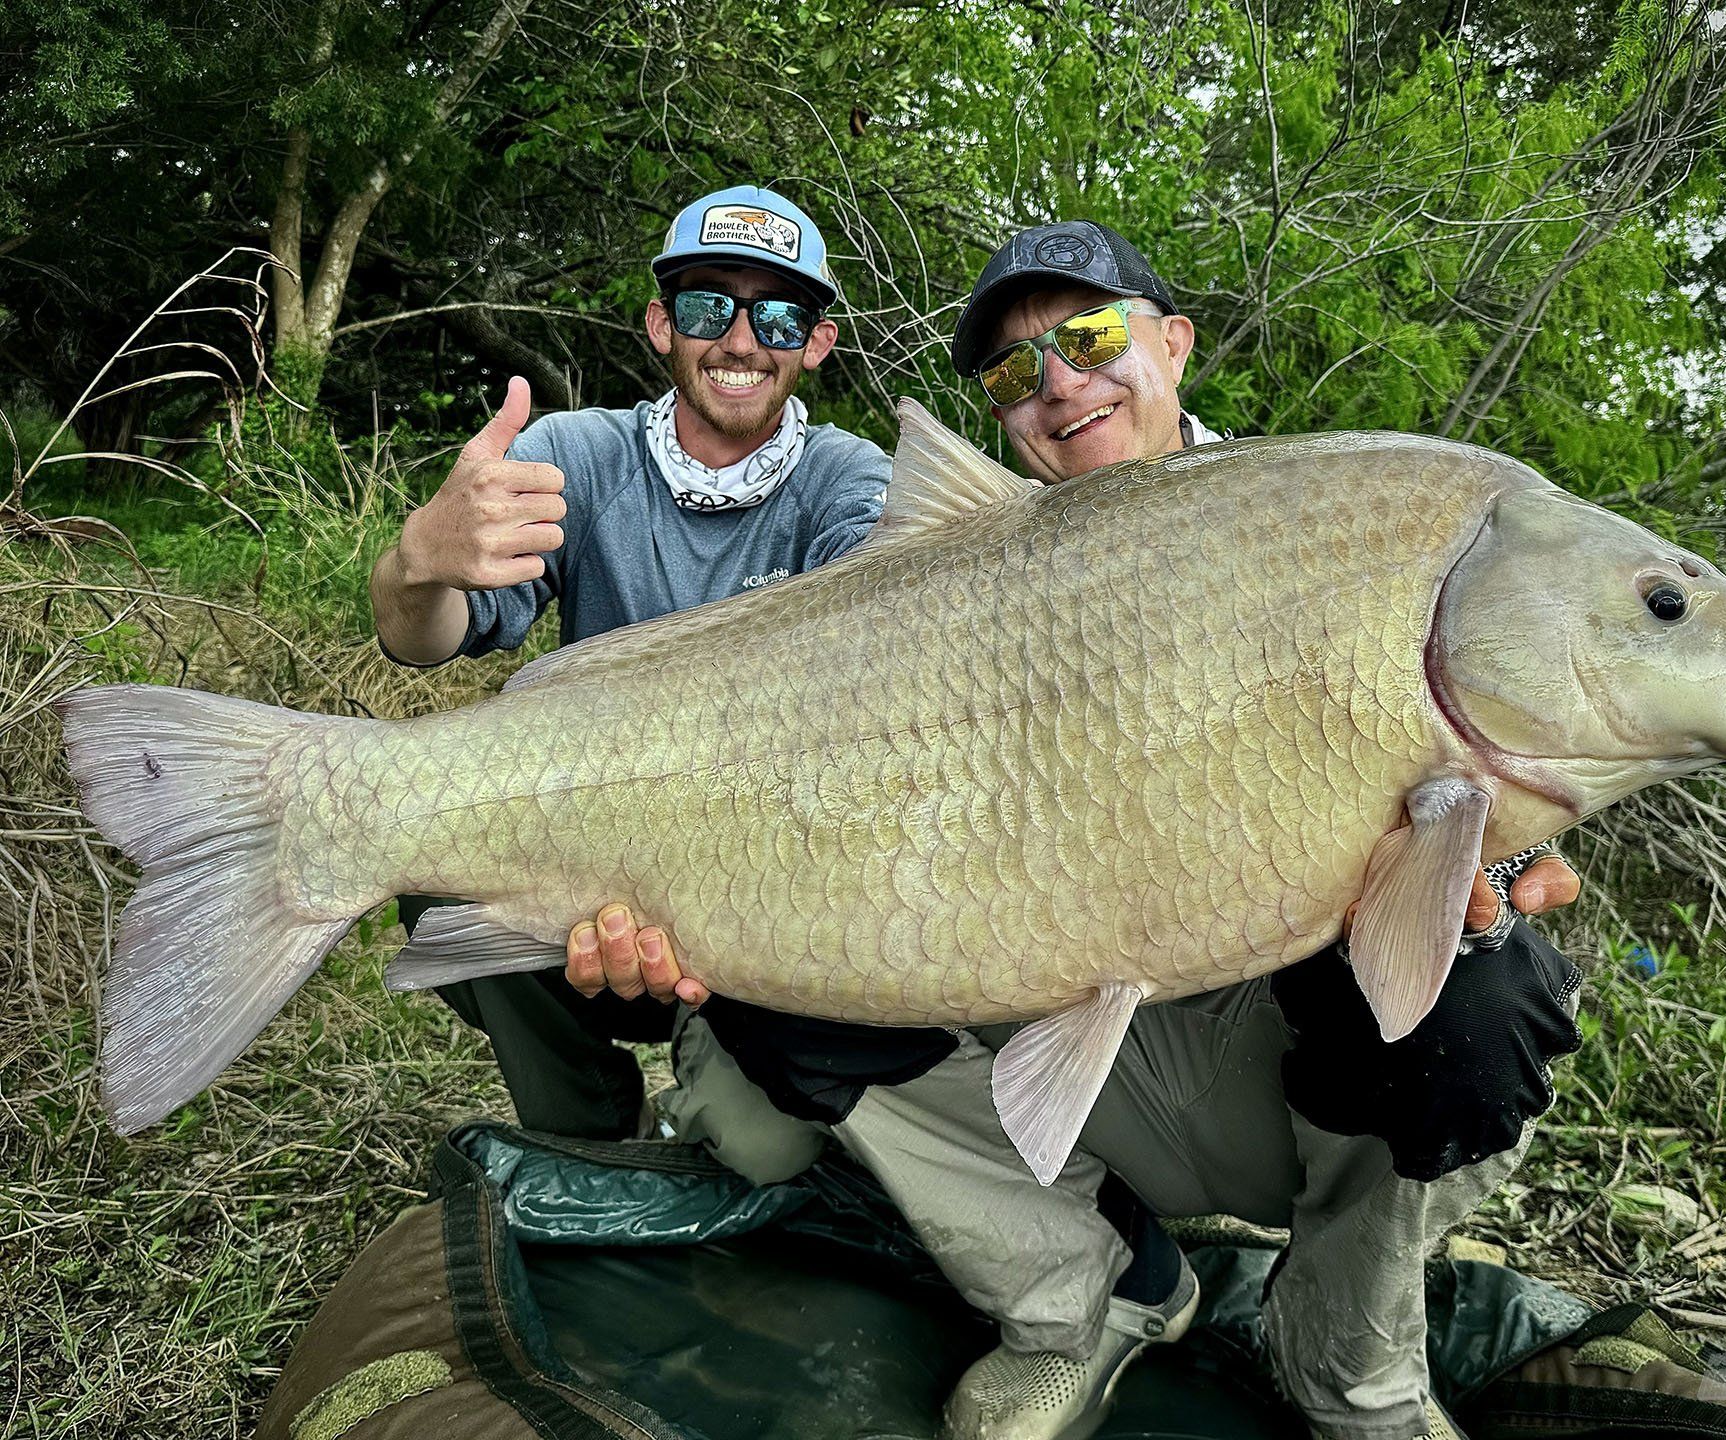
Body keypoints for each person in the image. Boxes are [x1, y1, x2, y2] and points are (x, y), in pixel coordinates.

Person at [570, 221, 1594, 1440]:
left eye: (1091, 337)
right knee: (764, 965)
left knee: (1484, 992)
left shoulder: (1321, 525)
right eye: (1013, 372)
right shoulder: (961, 568)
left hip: (1259, 1070)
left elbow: (1450, 766)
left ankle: (1351, 1368)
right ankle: (1081, 1297)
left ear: (1174, 344)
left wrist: (1490, 846)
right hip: (1043, 1039)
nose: (1057, 383)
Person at [368, 183, 890, 1143]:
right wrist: (416, 562)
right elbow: (419, 643)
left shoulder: (848, 480)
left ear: (815, 343)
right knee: (434, 857)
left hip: (777, 882)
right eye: (707, 307)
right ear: (661, 324)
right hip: (596, 876)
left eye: (778, 314)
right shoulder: (580, 455)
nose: (741, 341)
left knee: (763, 1152)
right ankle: (592, 1139)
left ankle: (755, 1100)